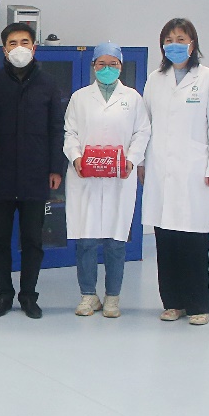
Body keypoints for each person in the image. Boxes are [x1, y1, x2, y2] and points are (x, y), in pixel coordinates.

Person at [141, 17, 209, 326]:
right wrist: (141, 162)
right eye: (169, 40)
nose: (174, 45)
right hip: (160, 169)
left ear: (193, 44)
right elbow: (144, 124)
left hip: (194, 171)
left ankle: (199, 303)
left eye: (181, 39)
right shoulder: (155, 79)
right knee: (165, 241)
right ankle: (173, 302)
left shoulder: (208, 79)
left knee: (193, 242)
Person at [0, 23, 65, 318]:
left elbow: (57, 129)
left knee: (32, 240)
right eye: (13, 43)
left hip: (35, 173)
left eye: (25, 42)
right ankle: (3, 295)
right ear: (4, 50)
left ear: (34, 47)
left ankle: (29, 296)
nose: (19, 48)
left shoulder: (49, 84)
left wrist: (56, 168)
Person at [65, 42, 151, 319]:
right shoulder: (79, 97)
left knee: (116, 240)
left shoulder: (133, 98)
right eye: (101, 64)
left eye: (112, 64)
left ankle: (113, 297)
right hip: (85, 178)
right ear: (93, 66)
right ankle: (88, 296)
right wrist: (76, 158)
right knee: (86, 239)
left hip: (119, 177)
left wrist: (132, 159)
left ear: (120, 66)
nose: (106, 69)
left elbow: (142, 132)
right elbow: (70, 133)